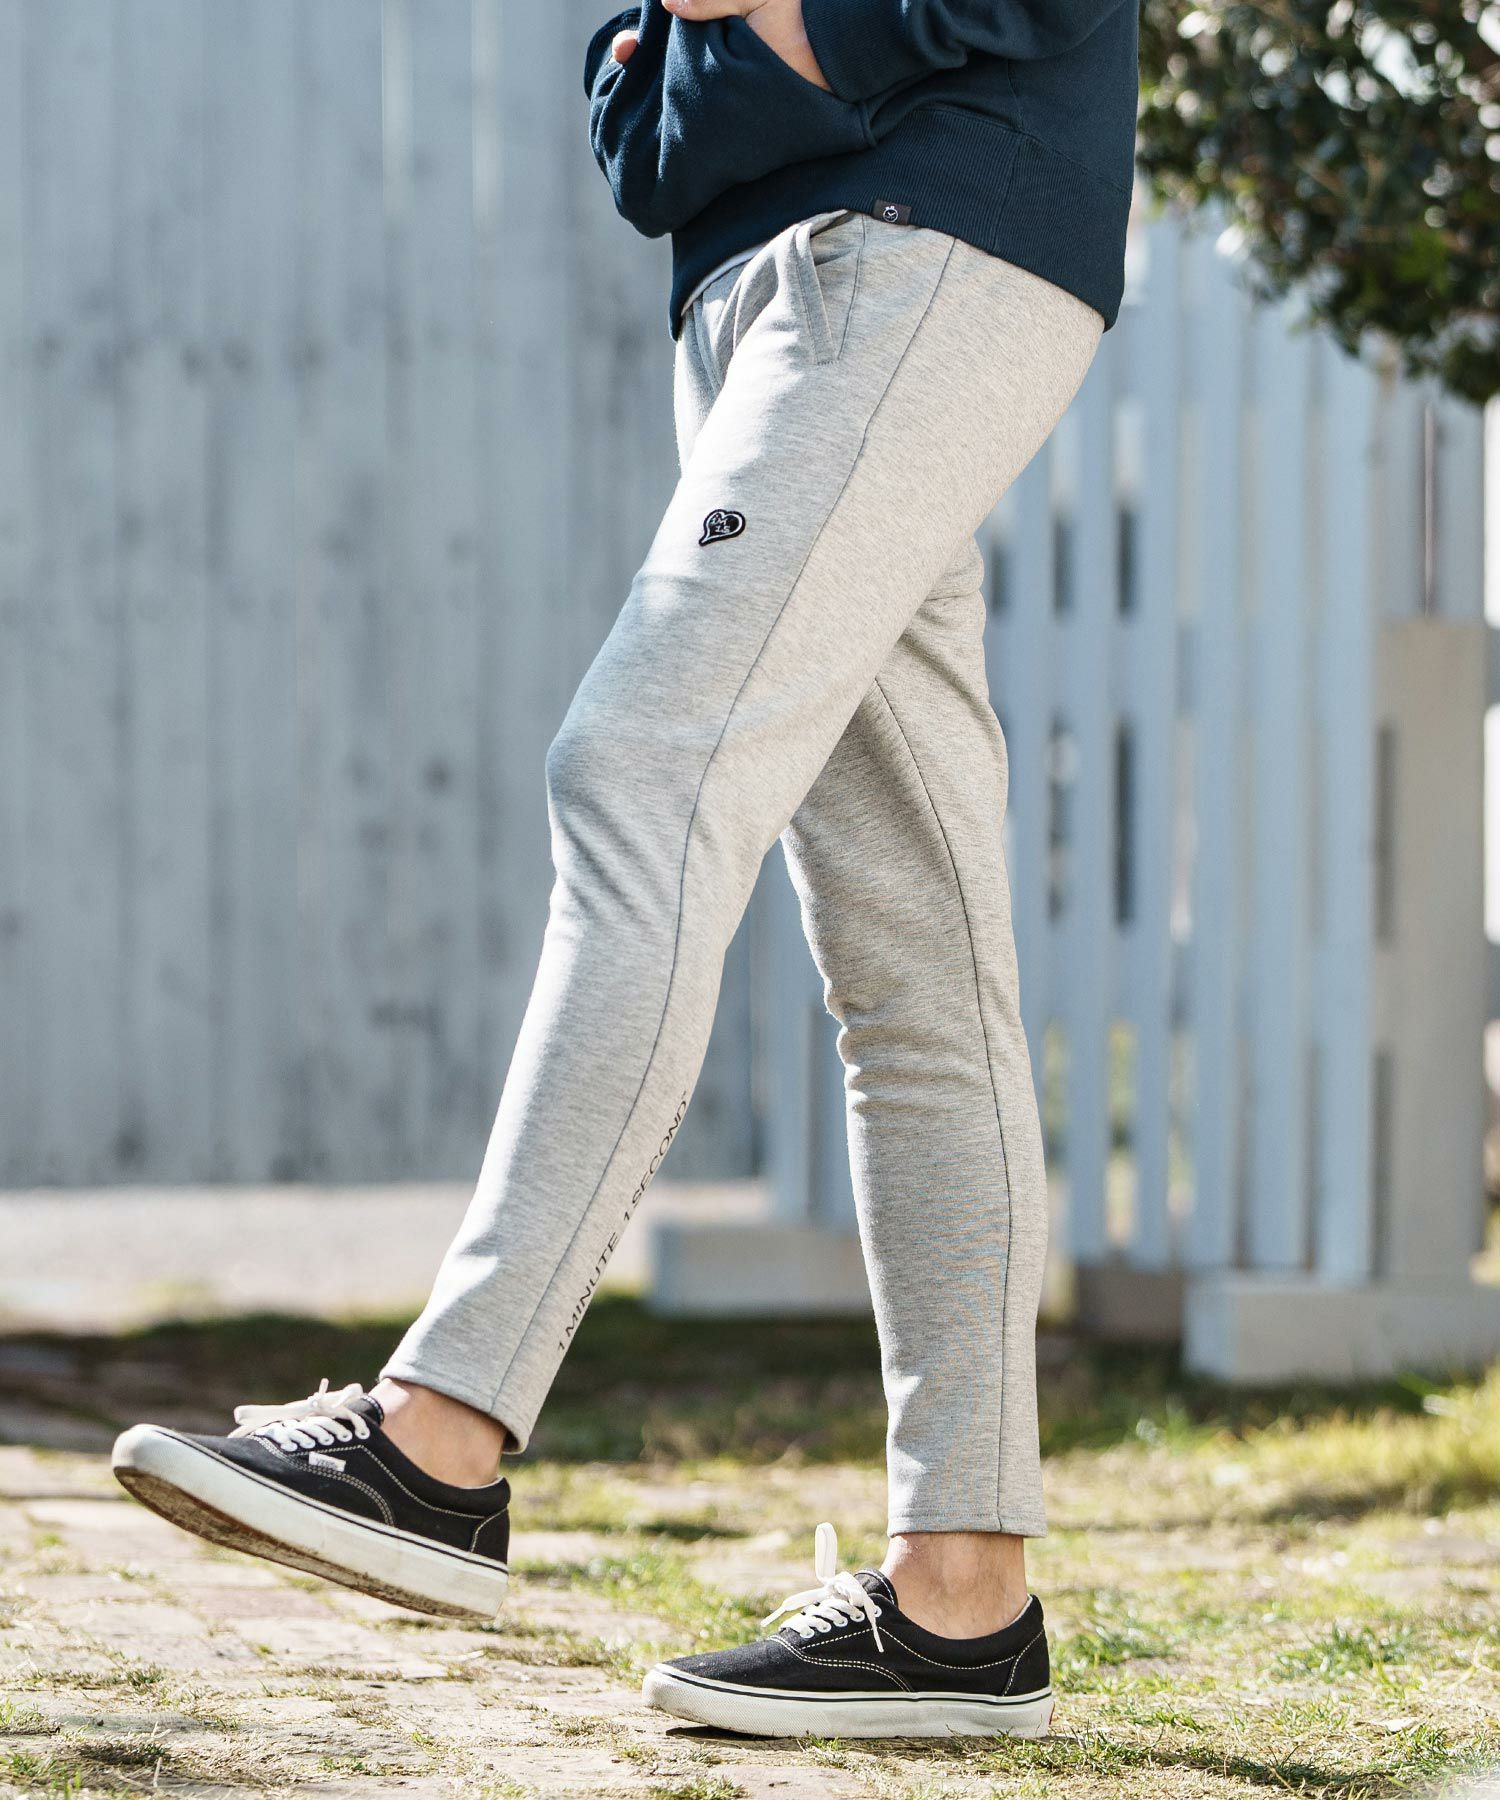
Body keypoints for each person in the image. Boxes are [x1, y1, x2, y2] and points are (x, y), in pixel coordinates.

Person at [112, 0, 1136, 1739]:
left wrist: (800, 31)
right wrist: (736, 48)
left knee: (638, 771)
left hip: (918, 254)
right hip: (770, 305)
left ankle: (440, 1436)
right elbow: (642, 130)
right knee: (915, 958)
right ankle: (962, 1602)